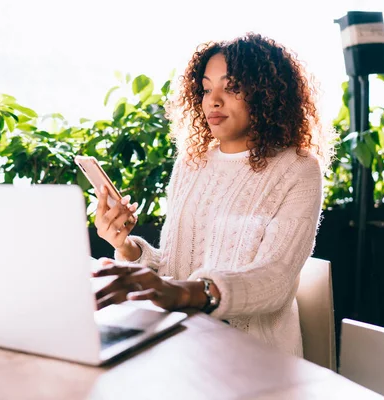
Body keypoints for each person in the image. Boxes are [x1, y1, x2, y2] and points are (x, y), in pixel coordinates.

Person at [91, 32, 332, 357]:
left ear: (267, 94)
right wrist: (126, 246)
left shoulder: (297, 168)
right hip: (181, 340)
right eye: (206, 89)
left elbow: (275, 280)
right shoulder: (191, 163)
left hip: (256, 356)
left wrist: (184, 292)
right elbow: (175, 268)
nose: (213, 101)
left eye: (231, 87)